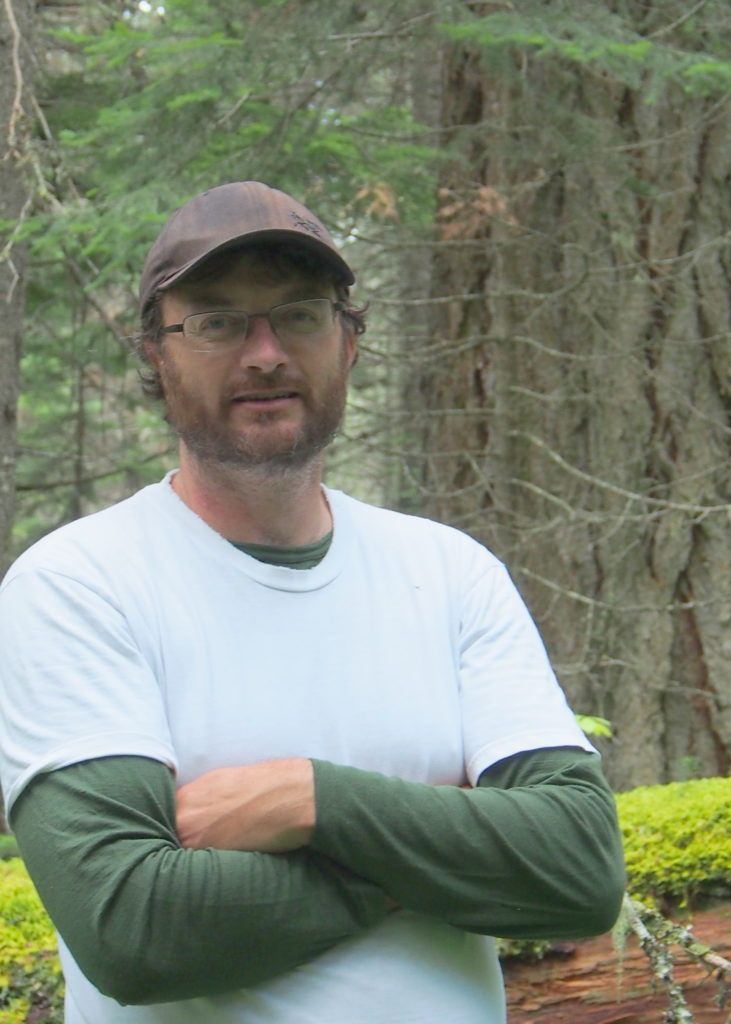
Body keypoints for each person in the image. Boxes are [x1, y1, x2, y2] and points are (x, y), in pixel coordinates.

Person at [0, 181, 625, 1024]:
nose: (264, 354)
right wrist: (437, 856)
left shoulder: (448, 573)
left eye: (298, 314)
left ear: (349, 342)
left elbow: (581, 871)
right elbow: (134, 927)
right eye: (217, 322)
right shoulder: (78, 585)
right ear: (155, 352)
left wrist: (309, 800)